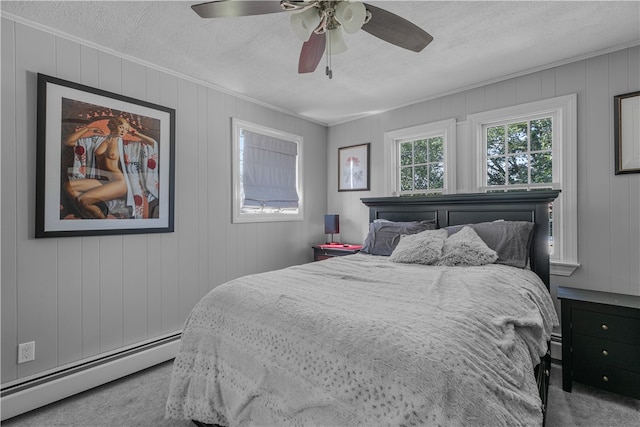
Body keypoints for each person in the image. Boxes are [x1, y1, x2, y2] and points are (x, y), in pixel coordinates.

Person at [63, 117, 157, 219]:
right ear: (113, 126)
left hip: (119, 182)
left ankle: (102, 223)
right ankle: (93, 214)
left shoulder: (126, 145)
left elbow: (153, 144)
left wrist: (135, 134)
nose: (123, 131)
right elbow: (69, 142)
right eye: (121, 127)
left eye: (126, 129)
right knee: (68, 186)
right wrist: (88, 129)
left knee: (83, 200)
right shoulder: (97, 140)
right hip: (103, 180)